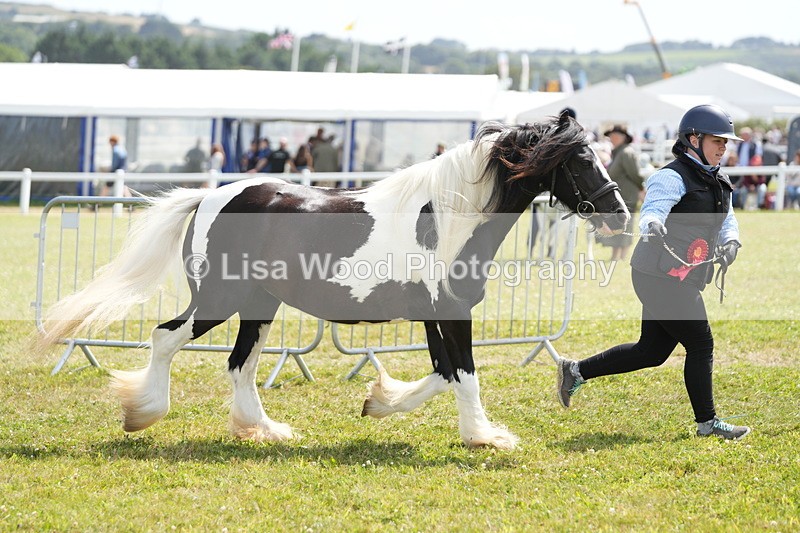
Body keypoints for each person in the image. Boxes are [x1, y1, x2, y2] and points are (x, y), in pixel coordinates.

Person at [556, 104, 751, 441]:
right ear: (693, 139)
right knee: (701, 343)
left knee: (652, 352)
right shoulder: (672, 175)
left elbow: (727, 219)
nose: (723, 147)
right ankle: (708, 423)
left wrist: (731, 241)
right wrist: (653, 224)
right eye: (717, 140)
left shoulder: (718, 178)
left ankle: (574, 370)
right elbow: (653, 208)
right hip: (658, 275)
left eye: (726, 142)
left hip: (679, 276)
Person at [598, 124, 644, 261]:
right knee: (617, 225)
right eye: (611, 136)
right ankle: (616, 256)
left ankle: (622, 257)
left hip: (627, 196)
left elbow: (635, 174)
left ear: (623, 138)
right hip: (619, 196)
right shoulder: (618, 152)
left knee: (625, 226)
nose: (612, 138)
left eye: (615, 136)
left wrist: (641, 189)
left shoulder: (626, 153)